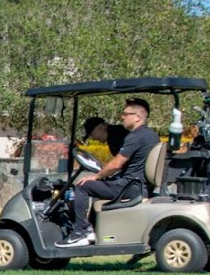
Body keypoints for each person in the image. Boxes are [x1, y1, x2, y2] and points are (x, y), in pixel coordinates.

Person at [62, 98, 158, 246]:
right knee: (96, 185)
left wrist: (97, 176)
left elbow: (117, 164)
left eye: (126, 114)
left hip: (130, 186)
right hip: (138, 184)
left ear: (138, 117)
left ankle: (80, 232)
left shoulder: (133, 136)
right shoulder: (151, 134)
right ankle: (93, 230)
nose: (122, 117)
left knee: (82, 186)